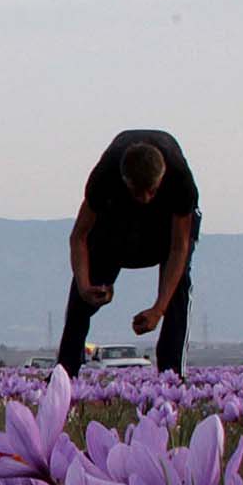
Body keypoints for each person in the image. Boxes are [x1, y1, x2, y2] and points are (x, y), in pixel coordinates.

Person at [56, 129, 201, 375]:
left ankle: (172, 376)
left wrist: (158, 309)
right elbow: (79, 237)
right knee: (85, 289)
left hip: (165, 228)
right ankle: (65, 373)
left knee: (177, 286)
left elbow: (179, 248)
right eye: (137, 192)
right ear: (124, 180)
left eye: (152, 191)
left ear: (162, 177)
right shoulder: (104, 177)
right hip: (116, 220)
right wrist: (84, 286)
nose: (145, 199)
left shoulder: (180, 181)